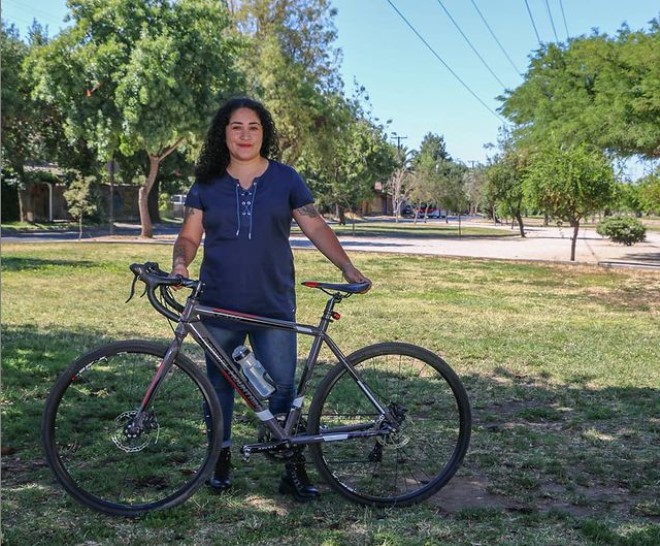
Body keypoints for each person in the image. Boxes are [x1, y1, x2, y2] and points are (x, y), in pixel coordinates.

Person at [170, 97, 370, 502]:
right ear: (223, 133)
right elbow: (189, 236)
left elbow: (315, 226)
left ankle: (290, 467)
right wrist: (180, 263)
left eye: (254, 127)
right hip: (218, 303)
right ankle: (219, 459)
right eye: (236, 127)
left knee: (282, 388)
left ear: (265, 133)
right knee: (218, 387)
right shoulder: (206, 183)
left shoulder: (286, 178)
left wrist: (347, 267)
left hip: (273, 302)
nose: (245, 135)